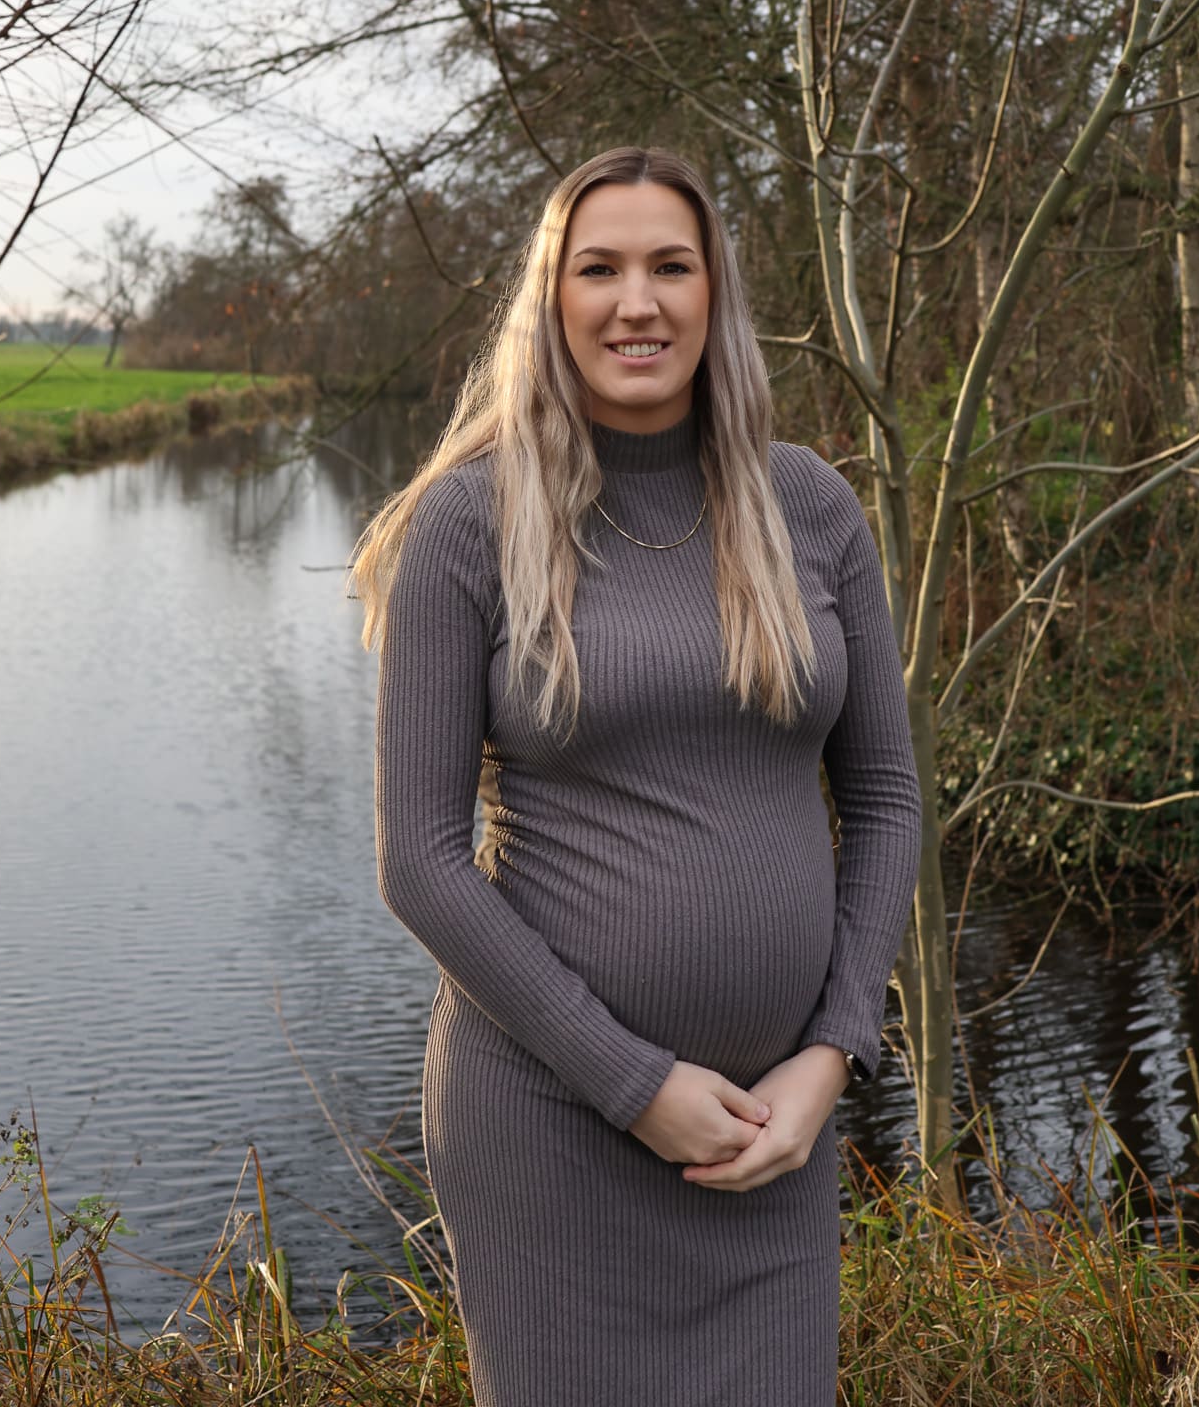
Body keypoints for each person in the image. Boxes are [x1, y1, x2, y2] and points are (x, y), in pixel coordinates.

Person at [355, 143, 923, 1407]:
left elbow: (884, 801)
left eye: (672, 264)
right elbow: (421, 859)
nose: (638, 300)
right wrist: (634, 1082)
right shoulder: (470, 522)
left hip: (771, 1140)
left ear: (716, 293)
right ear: (551, 303)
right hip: (549, 1121)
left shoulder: (811, 508)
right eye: (598, 268)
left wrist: (832, 1053)